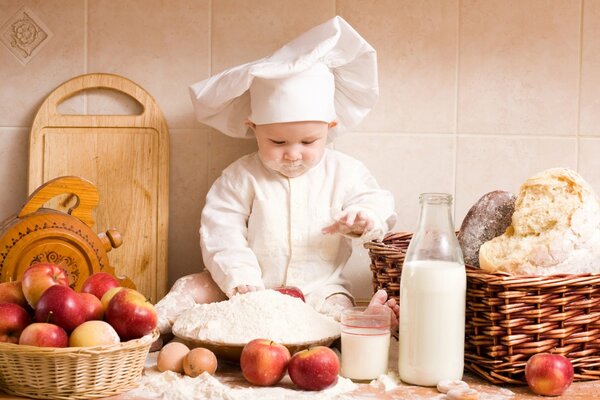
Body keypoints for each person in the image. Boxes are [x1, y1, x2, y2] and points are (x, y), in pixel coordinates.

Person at [154, 16, 399, 343]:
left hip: (318, 288)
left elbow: (377, 201)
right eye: (278, 142)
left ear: (330, 127)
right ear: (254, 127)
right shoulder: (241, 176)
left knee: (337, 308)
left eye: (309, 142)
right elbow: (220, 230)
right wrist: (241, 281)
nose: (293, 154)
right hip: (246, 287)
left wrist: (363, 219)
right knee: (190, 286)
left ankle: (365, 325)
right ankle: (148, 326)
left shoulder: (346, 172)